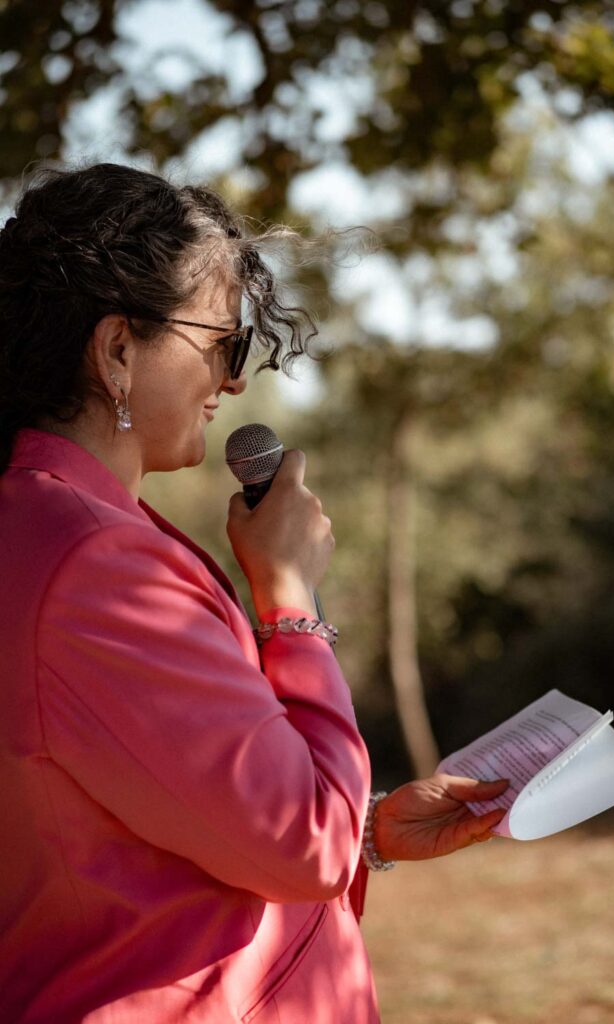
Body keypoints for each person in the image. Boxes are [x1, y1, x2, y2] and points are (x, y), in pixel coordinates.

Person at [0, 163, 508, 1024]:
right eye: (224, 344)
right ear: (118, 347)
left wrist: (369, 829)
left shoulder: (47, 529)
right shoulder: (95, 564)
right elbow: (300, 842)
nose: (234, 383)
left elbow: (120, 815)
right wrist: (288, 599)